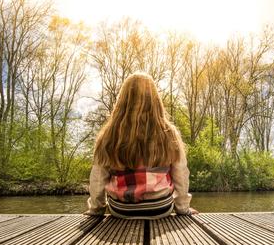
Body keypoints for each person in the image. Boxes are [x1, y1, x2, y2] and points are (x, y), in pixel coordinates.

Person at [83, 72, 198, 219]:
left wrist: (96, 209)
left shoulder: (109, 134)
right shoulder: (168, 133)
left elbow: (98, 177)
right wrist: (183, 208)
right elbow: (180, 174)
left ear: (122, 100)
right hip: (160, 207)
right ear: (155, 100)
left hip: (121, 209)